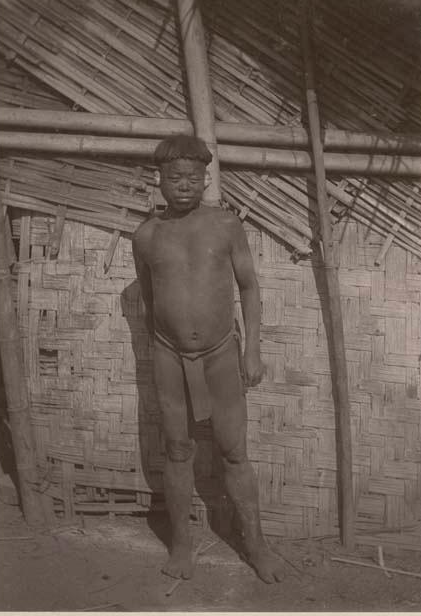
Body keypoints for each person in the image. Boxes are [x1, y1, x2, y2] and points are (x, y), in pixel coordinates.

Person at [132, 135, 284, 583]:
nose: (183, 185)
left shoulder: (225, 226)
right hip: (169, 356)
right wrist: (164, 345)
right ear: (159, 179)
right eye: (174, 177)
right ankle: (182, 544)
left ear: (205, 180)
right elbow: (147, 295)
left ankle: (256, 545)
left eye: (193, 178)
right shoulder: (145, 236)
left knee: (234, 451)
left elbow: (250, 287)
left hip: (220, 355)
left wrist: (252, 348)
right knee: (177, 450)